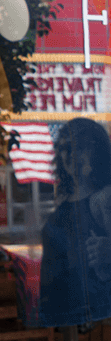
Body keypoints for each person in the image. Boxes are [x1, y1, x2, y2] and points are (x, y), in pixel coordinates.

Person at [39, 118, 111, 328]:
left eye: (80, 147)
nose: (71, 155)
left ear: (96, 151)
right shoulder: (64, 202)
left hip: (97, 319)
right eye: (64, 148)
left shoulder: (104, 199)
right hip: (63, 313)